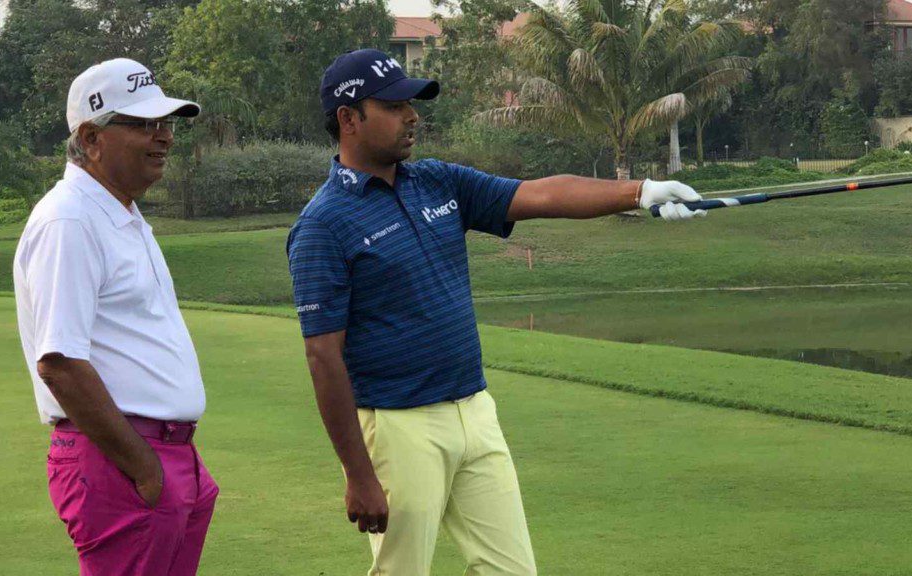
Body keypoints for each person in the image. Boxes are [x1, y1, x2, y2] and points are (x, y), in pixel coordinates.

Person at [287, 48, 706, 576]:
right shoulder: (323, 224)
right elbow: (323, 355)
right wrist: (359, 473)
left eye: (411, 104)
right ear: (349, 119)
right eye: (394, 106)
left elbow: (540, 195)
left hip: (475, 412)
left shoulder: (436, 181)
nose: (412, 116)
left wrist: (638, 191)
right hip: (398, 425)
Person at [13, 58, 219, 576]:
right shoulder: (70, 219)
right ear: (90, 137)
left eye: (166, 123)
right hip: (122, 458)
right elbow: (59, 362)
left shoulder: (119, 211)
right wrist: (145, 470)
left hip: (168, 454)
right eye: (143, 124)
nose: (164, 137)